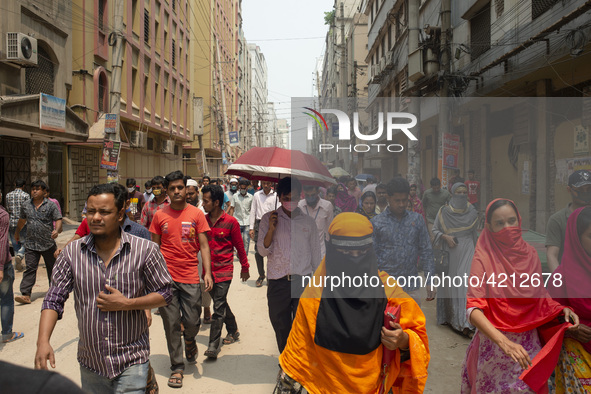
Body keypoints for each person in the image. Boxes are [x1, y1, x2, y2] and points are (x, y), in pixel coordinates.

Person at [34, 183, 173, 393]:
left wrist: (128, 304)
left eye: (104, 212)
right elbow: (54, 299)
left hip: (132, 360)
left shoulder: (145, 250)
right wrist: (43, 342)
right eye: (91, 211)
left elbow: (166, 293)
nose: (96, 217)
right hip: (91, 364)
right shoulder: (72, 254)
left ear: (120, 215)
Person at [278, 213, 430, 393]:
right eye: (346, 253)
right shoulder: (314, 297)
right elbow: (297, 357)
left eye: (362, 253)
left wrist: (403, 340)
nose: (355, 259)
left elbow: (417, 338)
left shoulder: (389, 292)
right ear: (332, 252)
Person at [461, 199, 579, 393]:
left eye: (511, 221)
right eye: (500, 223)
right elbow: (473, 309)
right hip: (494, 348)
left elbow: (538, 295)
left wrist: (559, 309)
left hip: (527, 346)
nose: (507, 228)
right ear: (489, 227)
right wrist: (505, 343)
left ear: (519, 221)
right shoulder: (483, 257)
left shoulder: (530, 254)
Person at [149, 171, 213, 388]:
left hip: (190, 276)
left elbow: (204, 245)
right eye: (172, 188)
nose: (177, 191)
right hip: (166, 279)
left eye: (180, 187)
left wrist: (207, 272)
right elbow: (154, 248)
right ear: (167, 191)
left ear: (186, 189)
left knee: (193, 321)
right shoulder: (159, 215)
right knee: (171, 323)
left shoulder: (197, 214)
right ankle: (177, 366)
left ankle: (190, 339)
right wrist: (153, 276)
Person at [257, 177, 321, 354]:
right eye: (286, 198)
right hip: (278, 282)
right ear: (279, 196)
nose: (290, 202)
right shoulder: (268, 219)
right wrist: (271, 229)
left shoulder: (308, 222)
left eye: (294, 198)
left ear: (299, 196)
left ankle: (297, 363)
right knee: (281, 324)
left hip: (303, 281)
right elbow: (262, 252)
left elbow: (316, 255)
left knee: (301, 325)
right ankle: (286, 360)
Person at [201, 185, 250, 359]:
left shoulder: (231, 222)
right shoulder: (203, 221)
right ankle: (233, 329)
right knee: (220, 303)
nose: (203, 203)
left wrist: (245, 267)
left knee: (218, 306)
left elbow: (240, 247)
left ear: (216, 202)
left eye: (206, 201)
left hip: (224, 271)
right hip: (208, 272)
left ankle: (213, 345)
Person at [371, 177, 436, 306]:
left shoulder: (417, 220)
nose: (401, 204)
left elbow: (426, 251)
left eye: (404, 200)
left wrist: (430, 280)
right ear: (388, 198)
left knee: (412, 325)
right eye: (397, 201)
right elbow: (372, 257)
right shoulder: (376, 223)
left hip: (411, 287)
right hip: (385, 288)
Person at [547, 206, 591, 393]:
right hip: (578, 352)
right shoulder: (561, 278)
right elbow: (547, 319)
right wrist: (569, 330)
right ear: (576, 238)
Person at [432, 183, 479, 337]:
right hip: (450, 251)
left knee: (464, 284)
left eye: (464, 192)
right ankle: (452, 318)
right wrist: (445, 237)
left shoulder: (472, 211)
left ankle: (465, 323)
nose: (461, 194)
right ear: (452, 194)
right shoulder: (444, 211)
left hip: (467, 249)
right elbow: (434, 230)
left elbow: (474, 234)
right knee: (451, 285)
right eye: (458, 192)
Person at [14, 180, 62, 305]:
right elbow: (22, 220)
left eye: (38, 189)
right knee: (30, 268)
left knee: (53, 268)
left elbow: (58, 219)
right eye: (33, 189)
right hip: (31, 244)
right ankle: (26, 294)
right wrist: (17, 232)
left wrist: (56, 230)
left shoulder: (51, 205)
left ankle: (55, 291)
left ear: (44, 191)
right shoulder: (26, 205)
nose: (34, 191)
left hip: (48, 244)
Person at [546, 169, 591, 273]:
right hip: (570, 276)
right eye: (580, 189)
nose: (585, 193)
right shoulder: (558, 220)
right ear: (569, 190)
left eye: (589, 189)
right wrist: (560, 281)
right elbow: (552, 255)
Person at [1, 191, 24, 343]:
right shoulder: (2, 215)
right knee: (6, 299)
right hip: (4, 264)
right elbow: (2, 242)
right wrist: (1, 267)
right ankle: (7, 334)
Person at [249, 181, 278, 287]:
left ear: (271, 184)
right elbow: (253, 211)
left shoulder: (276, 196)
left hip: (272, 223)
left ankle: (271, 276)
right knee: (258, 252)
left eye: (268, 183)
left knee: (271, 252)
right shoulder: (257, 195)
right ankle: (261, 275)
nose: (266, 185)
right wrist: (251, 227)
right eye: (264, 183)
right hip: (259, 224)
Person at [298, 185, 334, 258]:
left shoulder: (327, 206)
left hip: (320, 252)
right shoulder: (299, 206)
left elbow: (329, 231)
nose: (310, 197)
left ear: (318, 192)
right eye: (307, 195)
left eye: (313, 195)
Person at [6, 178, 29, 272]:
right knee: (25, 242)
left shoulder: (8, 195)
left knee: (15, 242)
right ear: (23, 186)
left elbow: (8, 208)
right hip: (23, 222)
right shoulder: (26, 195)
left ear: (15, 184)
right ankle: (20, 254)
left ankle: (17, 264)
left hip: (12, 222)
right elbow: (28, 209)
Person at [230, 179, 253, 254]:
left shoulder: (251, 197)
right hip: (237, 221)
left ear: (247, 188)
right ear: (239, 187)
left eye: (244, 188)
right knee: (238, 240)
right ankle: (239, 253)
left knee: (246, 240)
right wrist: (230, 221)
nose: (243, 190)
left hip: (247, 221)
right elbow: (232, 208)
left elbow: (252, 210)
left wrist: (253, 224)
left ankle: (244, 255)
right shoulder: (235, 196)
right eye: (241, 188)